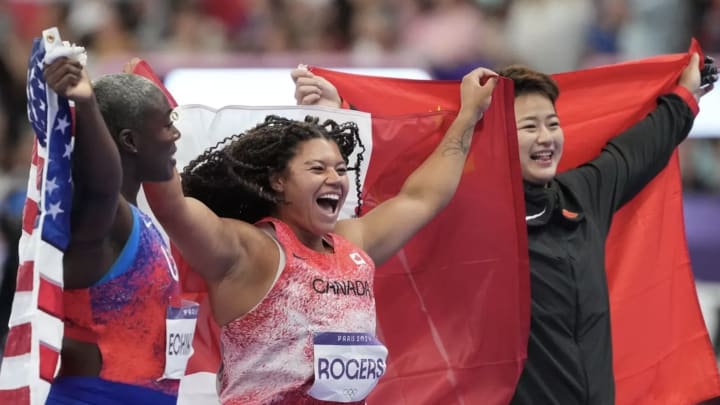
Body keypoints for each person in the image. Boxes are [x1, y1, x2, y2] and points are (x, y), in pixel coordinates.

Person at [291, 53, 716, 404]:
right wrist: (338, 110)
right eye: (529, 127)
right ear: (497, 136)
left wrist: (685, 95)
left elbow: (639, 150)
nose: (546, 137)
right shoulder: (465, 208)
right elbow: (397, 161)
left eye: (552, 123)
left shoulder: (581, 195)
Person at [142, 64, 497, 404]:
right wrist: (150, 130)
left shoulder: (353, 245)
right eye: (318, 168)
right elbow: (173, 207)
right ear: (278, 181)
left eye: (341, 168)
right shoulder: (251, 251)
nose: (336, 178)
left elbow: (422, 197)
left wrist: (469, 115)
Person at [42, 55, 185, 404]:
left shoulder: (140, 219)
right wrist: (87, 104)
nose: (176, 134)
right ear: (130, 141)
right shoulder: (100, 220)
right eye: (167, 124)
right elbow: (100, 187)